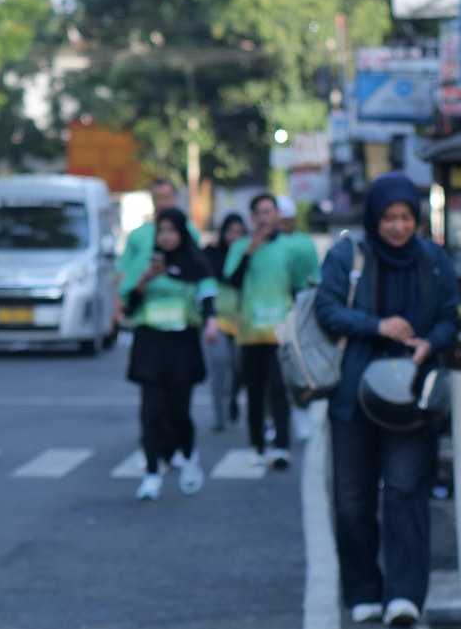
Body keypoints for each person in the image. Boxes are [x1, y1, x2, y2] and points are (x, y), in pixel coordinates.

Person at [314, 173, 460, 628]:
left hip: (411, 397)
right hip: (353, 396)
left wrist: (429, 343)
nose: (397, 227)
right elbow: (326, 309)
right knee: (352, 499)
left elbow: (450, 317)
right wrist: (377, 326)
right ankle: (362, 589)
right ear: (374, 218)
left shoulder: (433, 260)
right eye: (389, 218)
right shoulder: (349, 256)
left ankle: (405, 593)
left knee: (404, 491)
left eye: (405, 217)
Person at [222, 190, 318, 470]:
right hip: (250, 332)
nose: (264, 218)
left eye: (269, 212)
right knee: (254, 391)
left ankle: (281, 446)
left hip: (280, 331)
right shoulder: (240, 247)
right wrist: (250, 250)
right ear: (252, 218)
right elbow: (232, 281)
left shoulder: (289, 248)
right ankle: (256, 445)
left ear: (277, 215)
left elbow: (300, 286)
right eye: (259, 213)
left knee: (279, 388)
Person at [124, 206, 214, 501]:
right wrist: (144, 280)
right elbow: (129, 306)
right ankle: (152, 473)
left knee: (178, 412)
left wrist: (211, 322)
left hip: (182, 345)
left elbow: (207, 298)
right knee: (150, 411)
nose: (166, 237)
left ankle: (187, 455)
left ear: (182, 233)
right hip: (150, 344)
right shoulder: (146, 264)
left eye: (171, 231)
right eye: (161, 231)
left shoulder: (195, 264)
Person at [202, 210, 246, 433]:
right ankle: (219, 415)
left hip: (243, 321)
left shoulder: (248, 254)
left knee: (238, 368)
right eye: (230, 232)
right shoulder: (210, 254)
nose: (234, 237)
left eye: (239, 232)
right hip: (217, 319)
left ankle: (233, 399)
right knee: (219, 365)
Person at [116, 175, 181, 313]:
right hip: (143, 312)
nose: (162, 203)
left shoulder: (190, 233)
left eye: (166, 197)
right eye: (158, 198)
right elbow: (122, 272)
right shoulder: (137, 235)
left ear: (175, 198)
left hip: (182, 316)